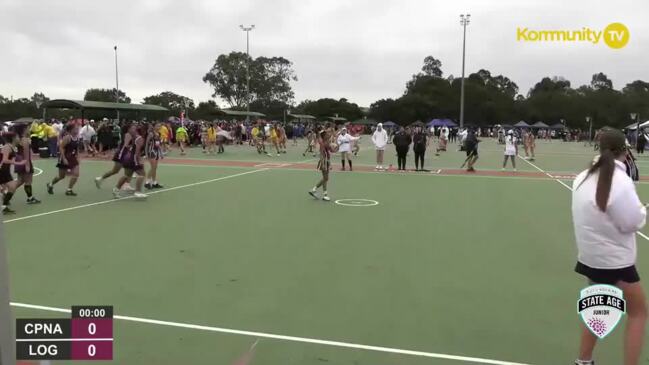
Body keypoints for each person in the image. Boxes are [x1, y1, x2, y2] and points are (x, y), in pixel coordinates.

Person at [572, 129, 647, 365]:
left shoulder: (582, 176)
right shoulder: (620, 181)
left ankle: (583, 360)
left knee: (598, 310)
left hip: (591, 257)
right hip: (615, 261)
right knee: (638, 312)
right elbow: (632, 222)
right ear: (624, 151)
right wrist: (644, 211)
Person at [114, 124, 147, 200]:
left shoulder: (134, 137)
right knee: (142, 174)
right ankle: (137, 192)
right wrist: (139, 160)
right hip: (133, 158)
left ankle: (116, 190)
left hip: (128, 158)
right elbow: (137, 151)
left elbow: (131, 147)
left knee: (127, 175)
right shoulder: (140, 138)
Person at [47, 123, 80, 196]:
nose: (77, 130)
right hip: (64, 157)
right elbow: (61, 147)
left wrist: (78, 156)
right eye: (75, 129)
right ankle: (50, 184)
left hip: (72, 157)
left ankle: (69, 190)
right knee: (61, 176)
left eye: (77, 129)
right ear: (71, 130)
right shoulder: (67, 138)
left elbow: (76, 148)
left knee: (76, 174)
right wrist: (64, 159)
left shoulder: (77, 138)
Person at [13, 124, 41, 205]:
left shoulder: (18, 139)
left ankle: (8, 193)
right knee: (28, 181)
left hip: (19, 160)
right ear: (24, 130)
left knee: (20, 181)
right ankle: (30, 198)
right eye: (27, 128)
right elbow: (26, 153)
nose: (29, 129)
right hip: (24, 160)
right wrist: (27, 165)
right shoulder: (24, 140)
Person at [0, 132, 27, 214]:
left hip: (5, 170)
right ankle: (4, 205)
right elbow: (4, 160)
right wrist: (20, 163)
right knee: (12, 186)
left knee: (12, 187)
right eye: (18, 136)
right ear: (13, 138)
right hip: (2, 170)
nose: (19, 138)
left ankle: (4, 206)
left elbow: (12, 158)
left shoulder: (12, 147)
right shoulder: (7, 147)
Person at [308, 129, 332, 201]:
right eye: (326, 134)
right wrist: (323, 164)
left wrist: (338, 145)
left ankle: (325, 195)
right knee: (326, 178)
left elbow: (333, 150)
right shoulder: (322, 144)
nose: (328, 134)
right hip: (323, 162)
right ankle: (314, 189)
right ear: (324, 136)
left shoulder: (327, 143)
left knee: (325, 178)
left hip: (326, 161)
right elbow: (321, 155)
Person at [145, 123, 164, 190]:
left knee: (155, 168)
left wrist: (161, 153)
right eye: (157, 126)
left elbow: (159, 145)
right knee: (153, 167)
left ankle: (154, 182)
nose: (159, 127)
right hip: (151, 152)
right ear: (154, 126)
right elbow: (147, 144)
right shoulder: (151, 134)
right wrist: (146, 153)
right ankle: (147, 182)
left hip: (156, 152)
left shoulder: (159, 134)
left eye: (160, 126)